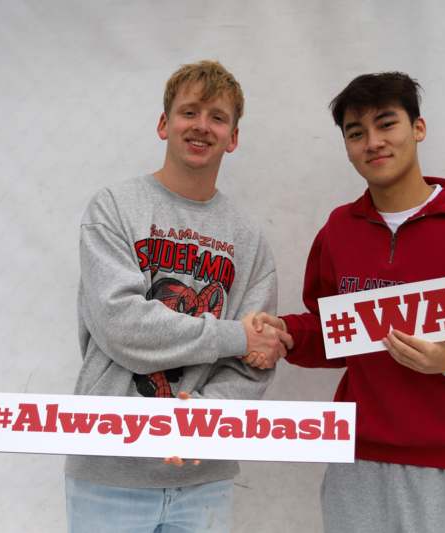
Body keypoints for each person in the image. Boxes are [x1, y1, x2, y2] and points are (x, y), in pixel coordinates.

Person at [246, 72, 445, 533]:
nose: (373, 142)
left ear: (418, 129)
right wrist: (290, 334)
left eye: (386, 124)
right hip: (356, 462)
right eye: (356, 133)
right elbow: (334, 332)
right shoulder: (338, 231)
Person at [65, 60, 291, 533]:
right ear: (164, 124)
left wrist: (203, 421)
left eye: (218, 117)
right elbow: (120, 325)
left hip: (201, 476)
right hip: (110, 467)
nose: (202, 126)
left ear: (233, 137)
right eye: (190, 112)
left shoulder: (249, 240)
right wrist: (234, 334)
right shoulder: (114, 208)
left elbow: (258, 356)